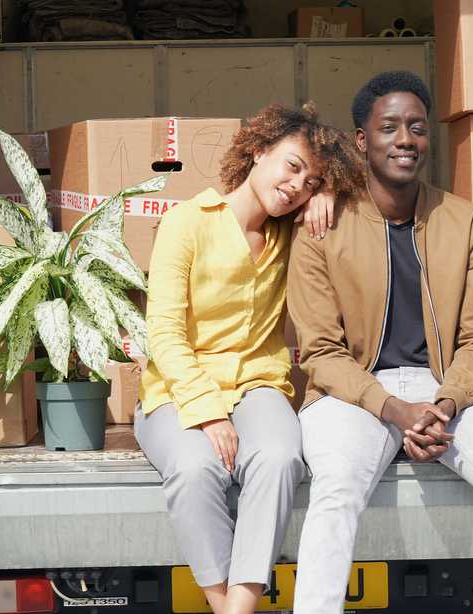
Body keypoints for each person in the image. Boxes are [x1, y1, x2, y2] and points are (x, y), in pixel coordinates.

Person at [287, 71, 473, 614]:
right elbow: (321, 353)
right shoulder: (322, 227)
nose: (405, 139)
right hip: (353, 395)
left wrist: (441, 406)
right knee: (336, 491)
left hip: (447, 390)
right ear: (361, 141)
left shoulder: (465, 221)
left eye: (417, 128)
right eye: (389, 127)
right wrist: (394, 410)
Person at [135, 102, 361, 614]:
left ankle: (240, 606)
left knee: (281, 458)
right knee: (195, 470)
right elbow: (164, 334)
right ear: (258, 151)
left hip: (259, 384)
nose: (296, 186)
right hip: (178, 390)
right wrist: (208, 412)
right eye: (293, 166)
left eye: (310, 181)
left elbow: (370, 195)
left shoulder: (294, 233)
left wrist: (330, 190)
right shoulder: (186, 222)